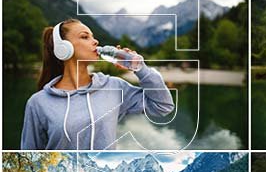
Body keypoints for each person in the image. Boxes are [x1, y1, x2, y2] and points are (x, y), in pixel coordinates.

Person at [20, 19, 174, 150]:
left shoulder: (114, 87)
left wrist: (140, 68)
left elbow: (163, 107)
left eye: (93, 36)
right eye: (85, 37)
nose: (95, 41)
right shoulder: (38, 103)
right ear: (63, 48)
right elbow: (29, 152)